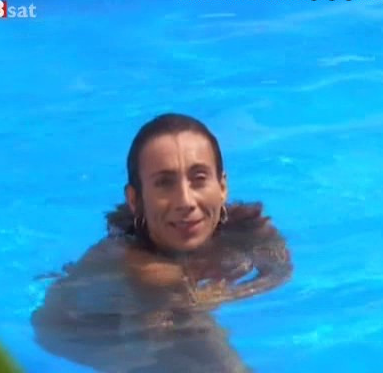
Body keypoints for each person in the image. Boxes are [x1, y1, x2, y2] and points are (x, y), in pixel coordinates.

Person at [31, 113, 293, 373]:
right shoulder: (136, 261)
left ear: (222, 187)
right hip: (90, 335)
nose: (185, 201)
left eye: (199, 179)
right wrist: (204, 299)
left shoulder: (249, 228)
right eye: (165, 183)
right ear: (135, 200)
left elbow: (280, 270)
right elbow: (201, 338)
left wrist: (221, 295)